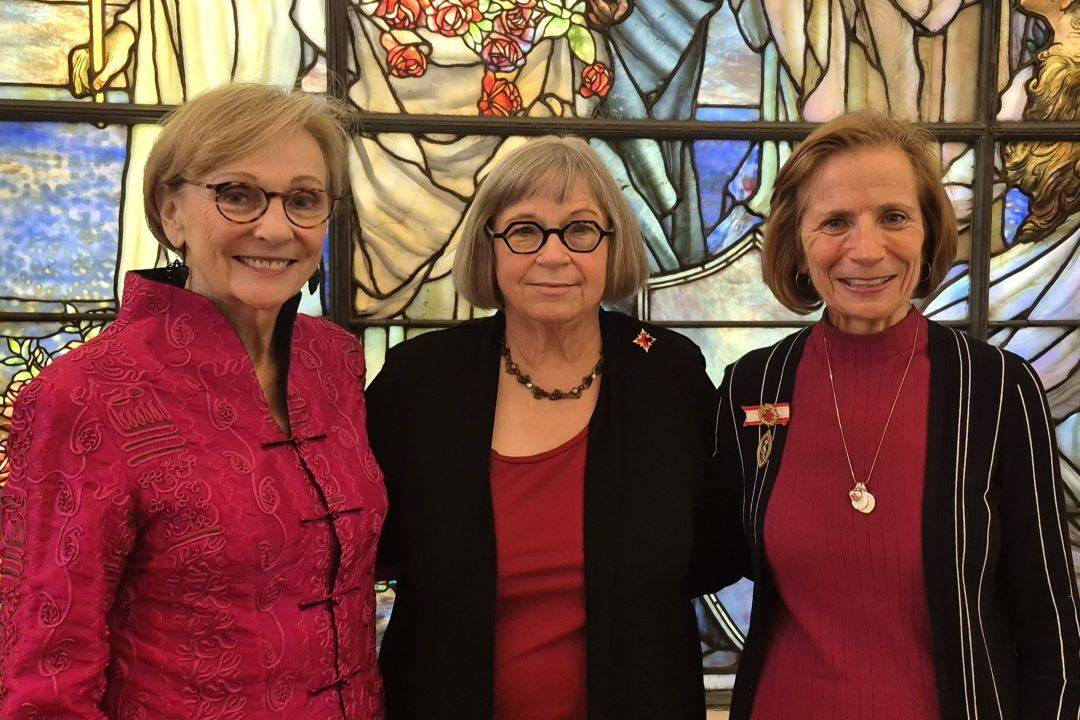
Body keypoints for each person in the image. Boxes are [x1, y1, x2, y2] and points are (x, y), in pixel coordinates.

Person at [0, 84, 386, 719]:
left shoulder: (334, 361)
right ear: (170, 211)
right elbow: (46, 672)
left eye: (303, 200)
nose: (274, 226)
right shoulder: (84, 394)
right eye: (237, 194)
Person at [712, 110, 1080, 719]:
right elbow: (691, 550)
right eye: (834, 222)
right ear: (797, 247)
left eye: (893, 218)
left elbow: (1048, 627)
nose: (866, 249)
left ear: (929, 233)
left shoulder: (995, 390)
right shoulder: (755, 386)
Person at [366, 136, 742, 719]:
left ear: (612, 246)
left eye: (581, 230)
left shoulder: (667, 374)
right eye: (524, 230)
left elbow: (724, 535)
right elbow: (362, 541)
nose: (553, 255)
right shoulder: (420, 381)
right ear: (489, 248)